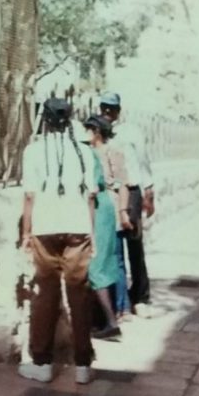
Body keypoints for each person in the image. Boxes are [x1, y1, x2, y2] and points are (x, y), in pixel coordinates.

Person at [18, 98, 98, 385]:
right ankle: (83, 364)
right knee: (79, 294)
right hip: (77, 227)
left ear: (46, 120)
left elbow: (30, 196)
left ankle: (42, 362)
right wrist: (92, 234)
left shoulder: (34, 150)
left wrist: (26, 233)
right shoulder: (85, 153)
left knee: (46, 294)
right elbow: (91, 197)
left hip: (45, 228)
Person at [99, 92, 155, 318]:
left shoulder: (131, 132)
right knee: (112, 249)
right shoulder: (97, 131)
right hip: (108, 192)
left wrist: (148, 191)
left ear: (118, 110)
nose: (107, 113)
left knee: (134, 245)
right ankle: (116, 299)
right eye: (104, 108)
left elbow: (143, 161)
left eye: (111, 109)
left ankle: (140, 296)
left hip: (130, 191)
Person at [83, 115, 132, 339]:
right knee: (104, 264)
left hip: (103, 210)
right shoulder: (89, 152)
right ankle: (102, 319)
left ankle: (112, 320)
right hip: (102, 210)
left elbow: (122, 184)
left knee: (99, 265)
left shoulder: (108, 153)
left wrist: (123, 212)